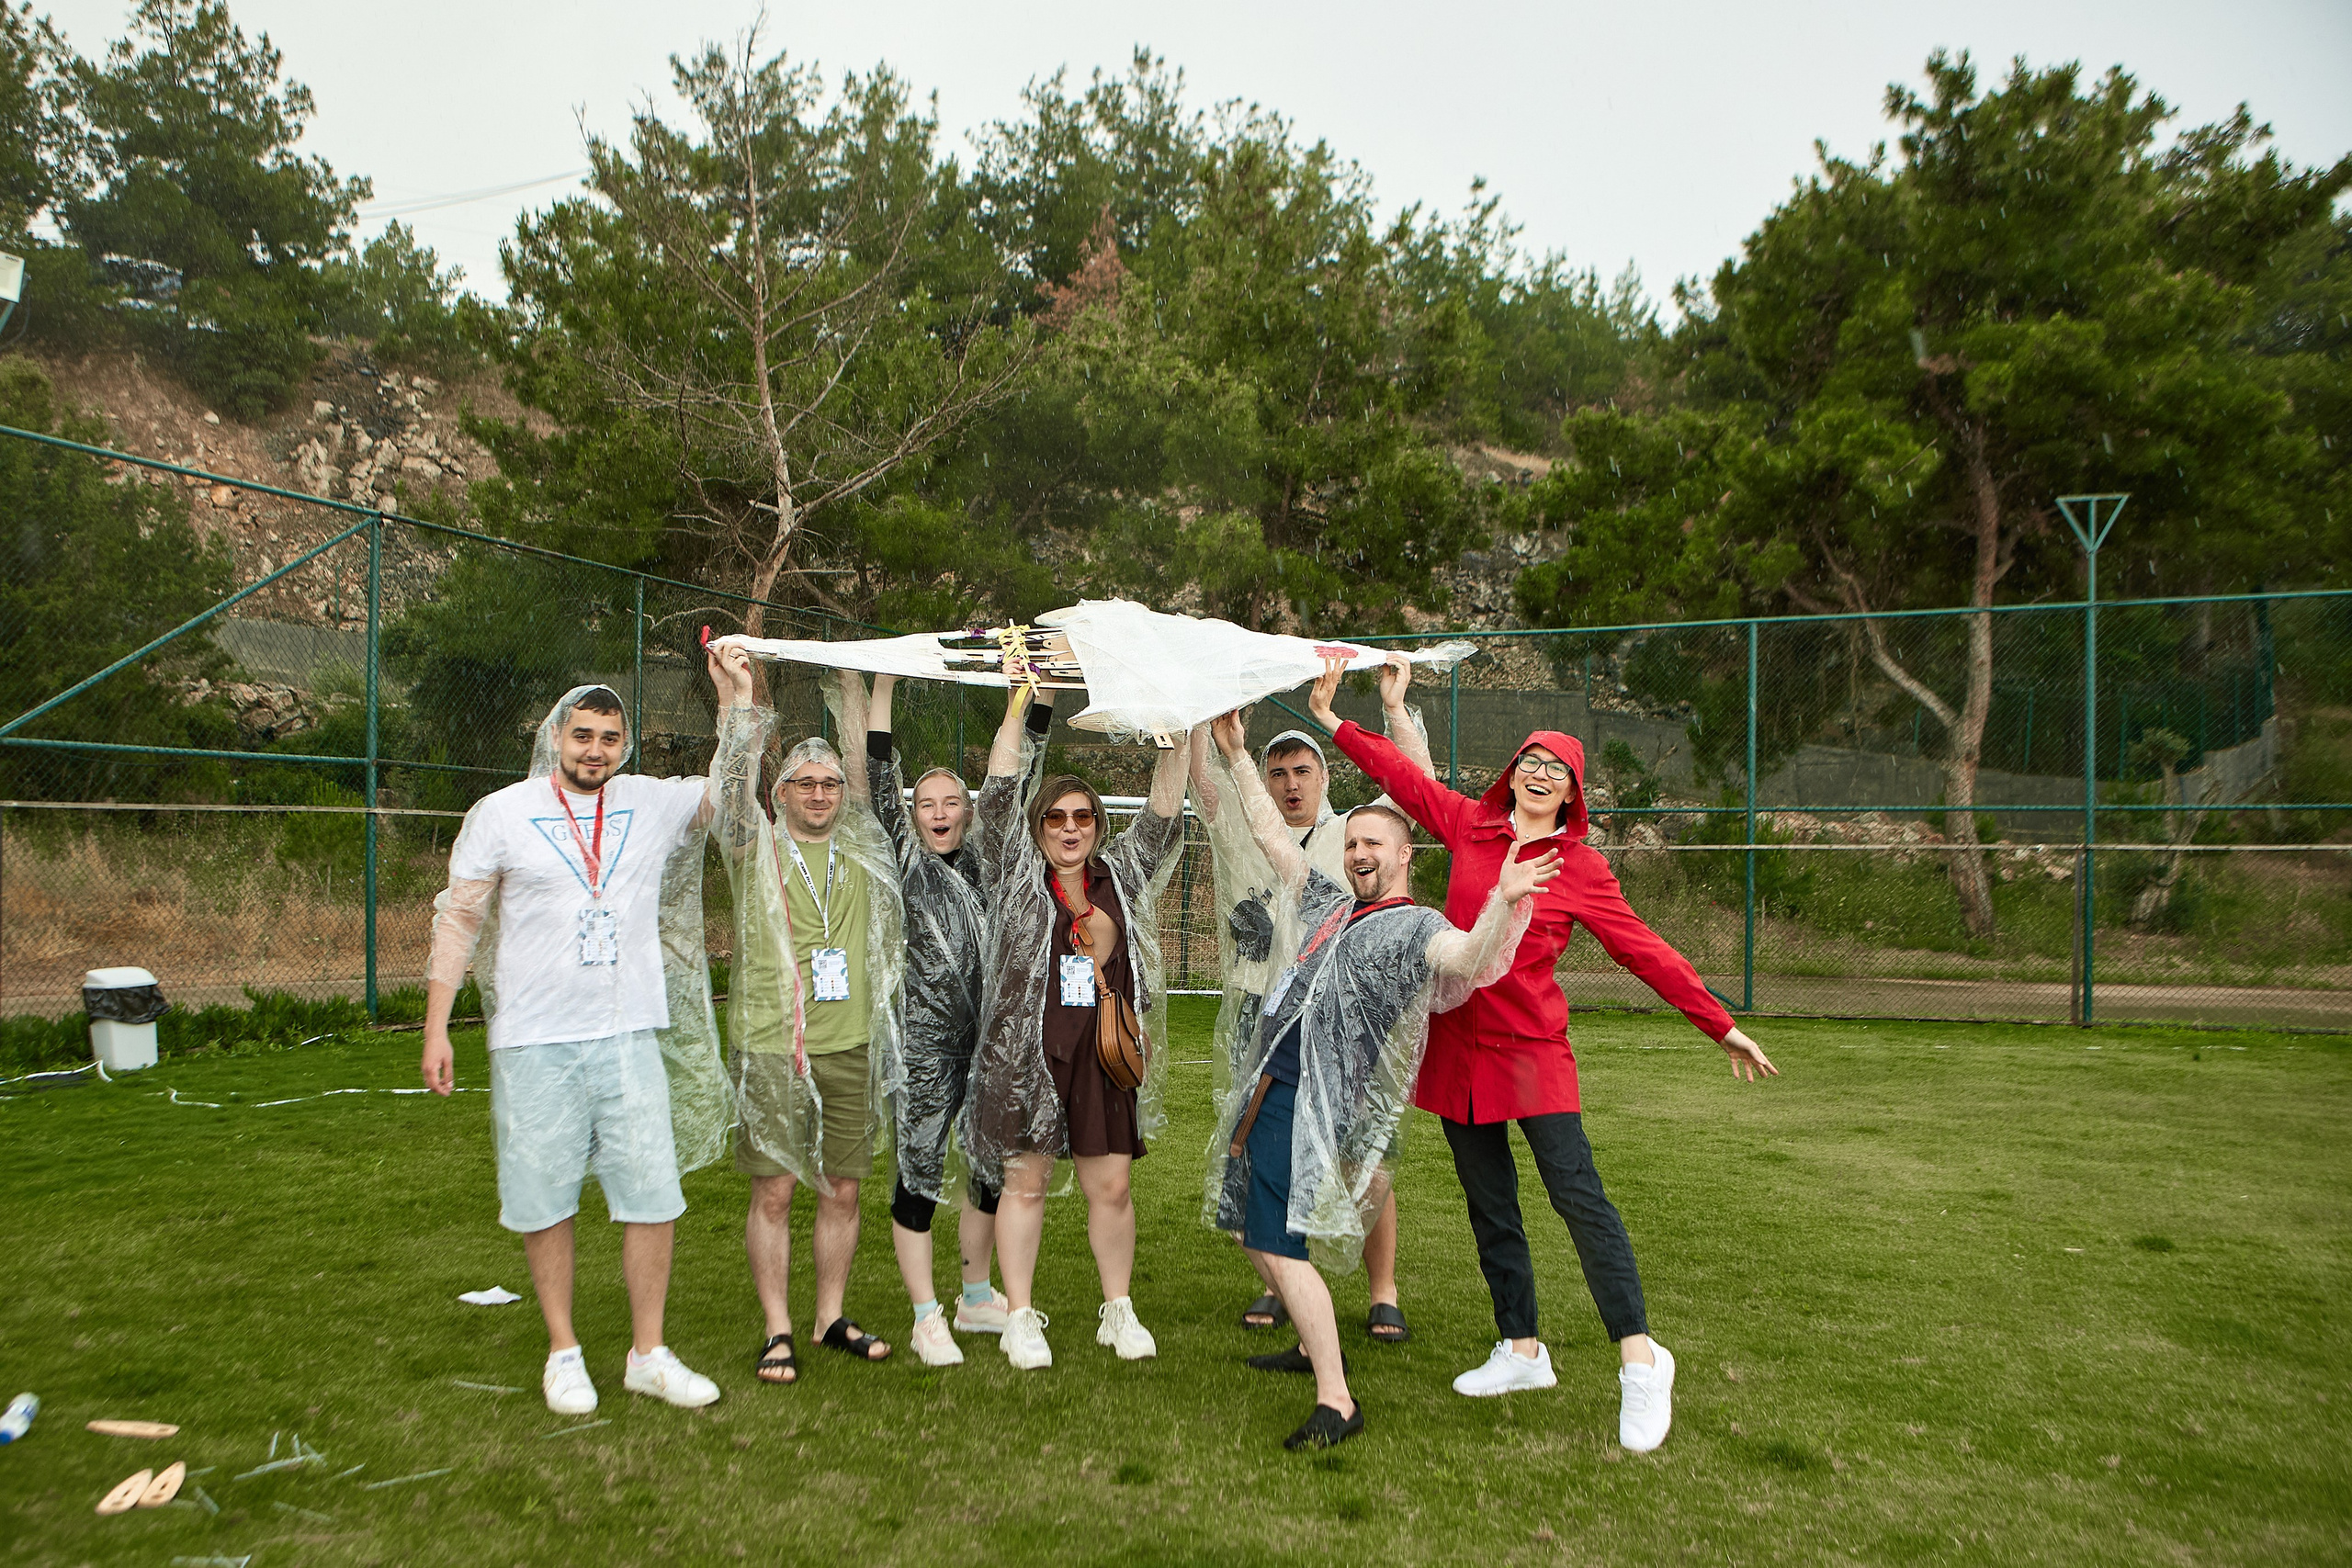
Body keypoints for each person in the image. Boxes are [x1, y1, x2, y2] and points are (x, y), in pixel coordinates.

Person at [1311, 658, 1780, 1453]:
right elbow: (1403, 778)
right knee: (1490, 1203)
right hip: (1454, 1051)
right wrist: (1339, 723)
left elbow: (1647, 953)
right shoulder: (1470, 826)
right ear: (1512, 775)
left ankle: (1640, 1355)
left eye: (1554, 769)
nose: (1538, 774)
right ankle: (1520, 1346)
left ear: (1571, 791)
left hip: (1532, 1054)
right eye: (1529, 763)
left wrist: (1718, 1022)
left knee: (1578, 1196)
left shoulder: (1582, 867)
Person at [1204, 709, 1557, 1448]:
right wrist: (1238, 755)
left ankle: (1336, 1398)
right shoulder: (1334, 905)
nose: (1360, 852)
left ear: (1404, 855)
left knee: (1276, 1242)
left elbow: (1469, 958)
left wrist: (1506, 896)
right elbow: (1275, 839)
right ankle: (1309, 1344)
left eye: (1375, 844)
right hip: (1273, 1088)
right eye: (1355, 841)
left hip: (1310, 1105)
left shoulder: (1414, 925)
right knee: (1252, 1226)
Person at [420, 673, 732, 1416]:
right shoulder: (501, 813)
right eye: (582, 734)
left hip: (627, 1035)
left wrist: (734, 701)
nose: (595, 750)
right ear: (555, 735)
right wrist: (436, 1025)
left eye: (611, 737)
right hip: (535, 1038)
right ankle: (563, 1352)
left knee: (653, 1195)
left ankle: (647, 1354)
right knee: (543, 1198)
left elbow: (729, 792)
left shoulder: (649, 802)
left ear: (627, 746)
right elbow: (458, 919)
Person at [1188, 664, 1439, 1345]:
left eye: (1303, 770)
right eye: (1280, 772)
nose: (1291, 782)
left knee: (1364, 1150)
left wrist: (1393, 707)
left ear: (1324, 777)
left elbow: (1417, 786)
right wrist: (1193, 699)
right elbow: (1207, 782)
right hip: (1261, 1009)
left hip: (1347, 1020)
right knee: (1263, 1152)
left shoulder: (1355, 835)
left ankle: (1381, 1289)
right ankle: (1284, 1282)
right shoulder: (1244, 820)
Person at [965, 679, 1189, 1371]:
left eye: (1082, 817)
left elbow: (1161, 810)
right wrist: (1018, 702)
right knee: (1024, 1183)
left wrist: (1177, 726)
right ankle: (1021, 1315)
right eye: (1056, 818)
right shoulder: (1013, 872)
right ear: (1038, 829)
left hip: (1102, 1052)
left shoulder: (1117, 876)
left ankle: (1117, 1309)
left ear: (1097, 824)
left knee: (1112, 1186)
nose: (1069, 827)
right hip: (1028, 1056)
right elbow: (999, 791)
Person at [708, 648, 905, 1386]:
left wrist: (863, 687)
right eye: (804, 783)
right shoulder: (754, 849)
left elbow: (868, 767)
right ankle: (777, 1327)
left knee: (842, 1187)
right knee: (776, 1188)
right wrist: (739, 699)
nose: (820, 794)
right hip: (771, 1044)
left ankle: (828, 1314)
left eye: (829, 783)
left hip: (848, 1044)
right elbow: (731, 793)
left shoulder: (862, 852)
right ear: (782, 792)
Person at [865, 671, 1056, 1366]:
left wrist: (1043, 694)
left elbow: (1025, 773)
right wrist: (885, 683)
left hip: (990, 1043)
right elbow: (880, 767)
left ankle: (976, 1294)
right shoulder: (903, 856)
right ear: (913, 813)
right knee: (917, 1171)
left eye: (952, 801)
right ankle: (924, 1314)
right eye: (928, 803)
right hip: (924, 1044)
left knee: (990, 1171)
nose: (940, 812)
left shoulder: (989, 856)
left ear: (968, 810)